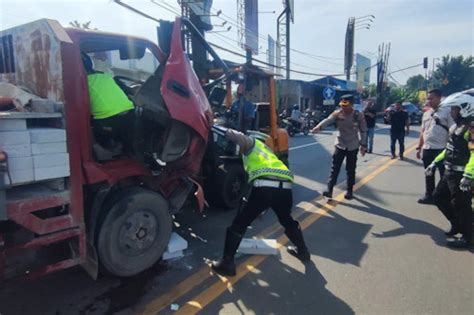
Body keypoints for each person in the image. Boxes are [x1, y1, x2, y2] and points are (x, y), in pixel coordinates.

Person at [211, 127, 310, 277]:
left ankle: (227, 263)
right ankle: (303, 252)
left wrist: (214, 127)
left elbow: (238, 137)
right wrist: (261, 209)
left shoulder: (253, 144)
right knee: (286, 220)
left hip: (265, 187)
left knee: (239, 225)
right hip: (285, 188)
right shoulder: (270, 154)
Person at [428, 92, 473, 248]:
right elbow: (449, 149)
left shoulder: (471, 128)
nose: (452, 112)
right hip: (449, 172)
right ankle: (457, 225)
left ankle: (468, 237)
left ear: (465, 109)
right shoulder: (455, 126)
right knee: (438, 197)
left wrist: (468, 176)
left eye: (455, 109)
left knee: (462, 205)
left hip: (462, 175)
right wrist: (434, 162)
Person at [311, 94, 368, 200]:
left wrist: (363, 145)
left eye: (346, 105)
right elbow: (328, 120)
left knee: (350, 169)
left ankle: (349, 191)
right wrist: (318, 127)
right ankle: (329, 190)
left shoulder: (358, 115)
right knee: (335, 168)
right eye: (342, 104)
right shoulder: (337, 113)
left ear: (351, 104)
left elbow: (363, 130)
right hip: (340, 144)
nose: (343, 107)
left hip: (352, 145)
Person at [83, 53, 135, 153]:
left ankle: (107, 150)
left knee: (91, 125)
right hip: (129, 112)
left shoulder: (83, 82)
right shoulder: (106, 77)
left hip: (107, 118)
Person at [416, 89, 454, 204]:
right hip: (427, 149)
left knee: (444, 175)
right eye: (428, 98)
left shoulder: (447, 112)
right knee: (428, 173)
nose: (429, 100)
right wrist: (419, 147)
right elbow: (423, 132)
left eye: (431, 98)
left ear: (439, 98)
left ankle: (444, 197)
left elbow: (452, 130)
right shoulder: (427, 113)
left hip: (442, 149)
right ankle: (429, 195)